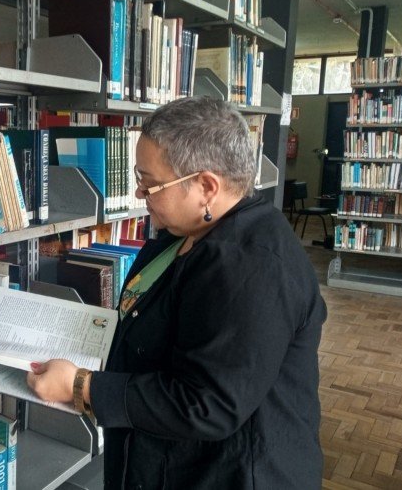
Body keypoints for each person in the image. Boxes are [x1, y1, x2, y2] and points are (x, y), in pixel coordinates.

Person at [27, 97, 326, 489]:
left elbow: (207, 404)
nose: (139, 193)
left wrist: (83, 386)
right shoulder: (184, 234)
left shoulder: (252, 265)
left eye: (150, 183)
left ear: (206, 187)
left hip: (228, 475)